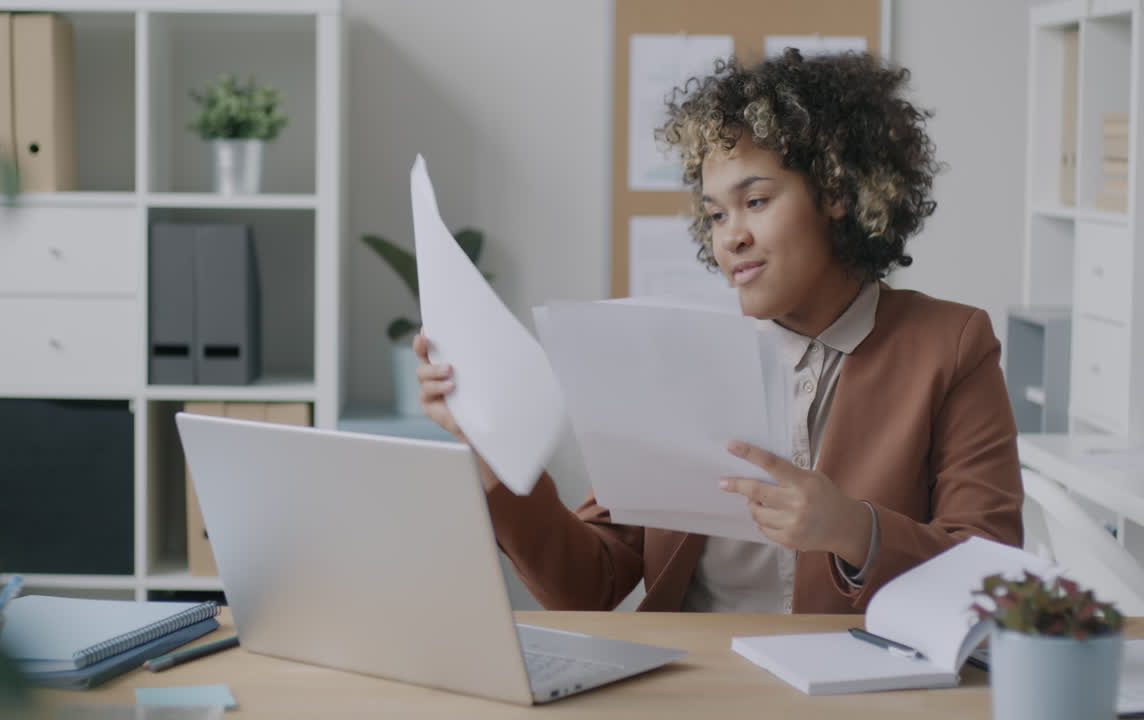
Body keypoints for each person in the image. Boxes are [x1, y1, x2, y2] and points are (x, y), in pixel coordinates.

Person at [413, 49, 1023, 614]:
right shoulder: (679, 355)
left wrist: (853, 531)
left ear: (837, 192)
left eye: (755, 201)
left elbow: (992, 577)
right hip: (702, 684)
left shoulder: (951, 345)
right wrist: (493, 457)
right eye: (715, 213)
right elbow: (589, 585)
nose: (731, 236)